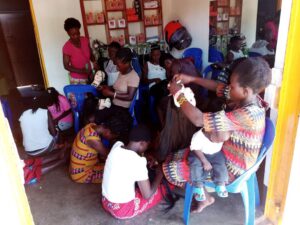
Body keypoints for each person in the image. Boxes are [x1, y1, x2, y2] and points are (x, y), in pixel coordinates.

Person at [164, 57, 271, 213]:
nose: (228, 89)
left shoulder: (247, 115)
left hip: (230, 169)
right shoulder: (247, 97)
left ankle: (205, 197)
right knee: (184, 154)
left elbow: (198, 120)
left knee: (170, 167)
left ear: (245, 90)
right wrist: (192, 78)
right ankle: (203, 193)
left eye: (232, 86)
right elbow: (218, 87)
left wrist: (178, 94)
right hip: (227, 153)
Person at [101, 125, 166, 219]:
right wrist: (159, 175)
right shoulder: (138, 161)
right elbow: (147, 195)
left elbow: (127, 158)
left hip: (106, 202)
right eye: (147, 145)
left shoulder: (117, 145)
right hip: (121, 210)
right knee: (160, 189)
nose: (147, 148)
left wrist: (145, 157)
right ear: (143, 143)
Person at [69, 113, 132, 183]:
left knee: (111, 167)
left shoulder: (91, 126)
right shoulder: (93, 140)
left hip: (78, 168)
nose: (111, 139)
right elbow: (109, 155)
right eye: (113, 137)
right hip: (82, 174)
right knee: (118, 174)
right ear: (108, 132)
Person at [96, 47, 139, 123]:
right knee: (94, 111)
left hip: (123, 110)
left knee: (98, 117)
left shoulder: (134, 76)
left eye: (118, 65)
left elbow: (130, 96)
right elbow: (116, 87)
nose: (117, 68)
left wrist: (111, 94)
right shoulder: (121, 73)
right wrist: (106, 87)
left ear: (127, 63)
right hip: (114, 105)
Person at [188, 129, 230, 201]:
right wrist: (205, 161)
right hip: (199, 154)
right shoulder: (198, 136)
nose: (219, 142)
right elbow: (195, 149)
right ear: (211, 132)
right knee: (195, 164)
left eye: (221, 141)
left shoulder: (219, 135)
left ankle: (220, 183)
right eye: (217, 141)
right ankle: (198, 186)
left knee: (221, 164)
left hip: (215, 153)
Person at [19, 92, 59, 156]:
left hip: (29, 151)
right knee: (57, 131)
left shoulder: (23, 115)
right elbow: (53, 132)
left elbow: (22, 133)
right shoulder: (45, 112)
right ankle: (59, 149)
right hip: (45, 148)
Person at [63, 18, 98, 84]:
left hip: (89, 75)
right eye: (73, 35)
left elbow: (90, 54)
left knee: (91, 93)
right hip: (76, 80)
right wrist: (81, 71)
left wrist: (94, 63)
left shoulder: (85, 40)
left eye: (78, 33)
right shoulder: (67, 47)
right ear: (68, 33)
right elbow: (66, 66)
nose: (76, 36)